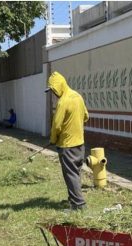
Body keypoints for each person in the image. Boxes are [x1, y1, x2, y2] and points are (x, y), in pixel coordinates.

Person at [46, 71, 89, 210]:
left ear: (58, 86)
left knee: (70, 175)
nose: (53, 93)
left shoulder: (63, 102)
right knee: (75, 173)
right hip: (80, 143)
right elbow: (86, 116)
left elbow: (56, 125)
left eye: (53, 90)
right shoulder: (78, 96)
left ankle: (78, 205)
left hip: (67, 145)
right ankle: (73, 199)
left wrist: (53, 139)